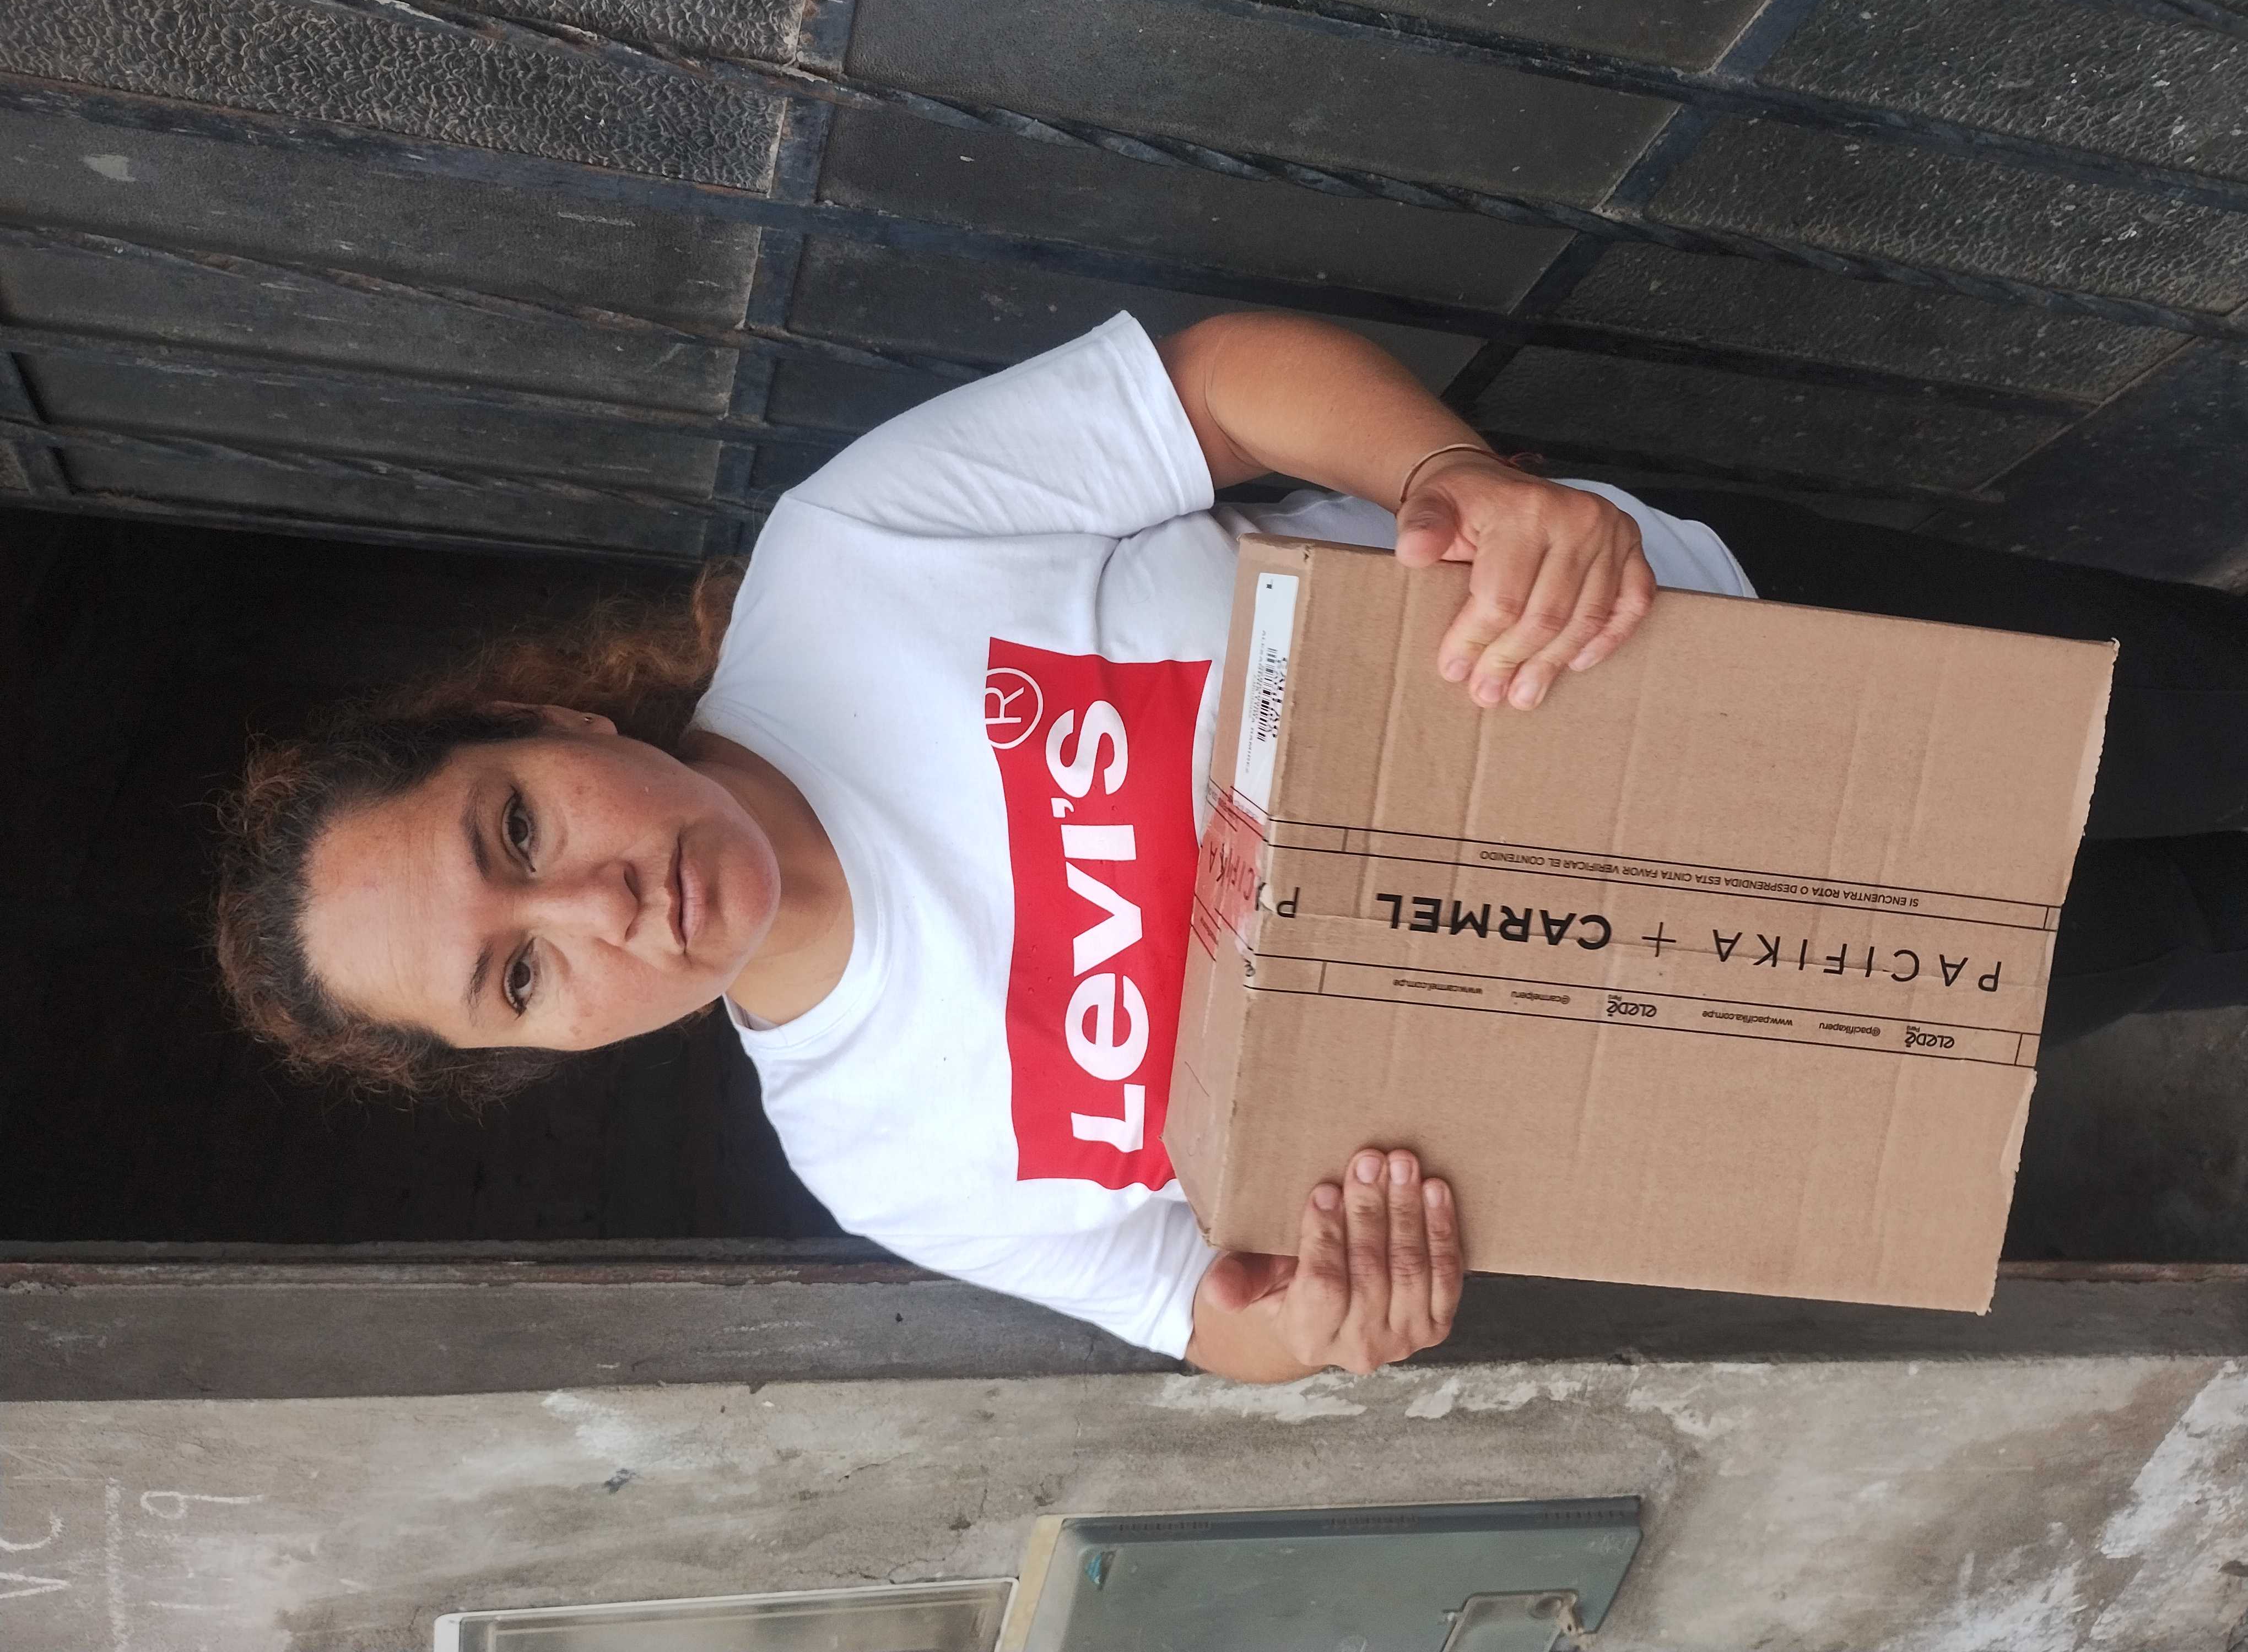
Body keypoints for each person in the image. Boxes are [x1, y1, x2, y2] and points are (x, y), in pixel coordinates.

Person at [213, 312, 2248, 1383]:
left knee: (2206, 716)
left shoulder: (850, 563)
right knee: (2184, 939)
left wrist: (1456, 480)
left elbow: (1210, 391)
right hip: (1747, 1029)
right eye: (517, 973)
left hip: (1746, 671)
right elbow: (1207, 1315)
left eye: (515, 827)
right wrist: (1326, 1319)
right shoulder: (879, 1152)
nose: (595, 905)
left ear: (561, 726)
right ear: (543, 1052)